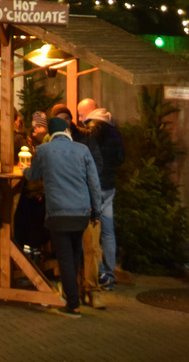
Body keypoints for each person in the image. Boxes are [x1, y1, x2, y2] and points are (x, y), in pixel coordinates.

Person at [24, 115, 102, 318]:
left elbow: (33, 175)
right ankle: (72, 294)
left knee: (65, 257)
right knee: (75, 254)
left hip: (58, 211)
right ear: (67, 131)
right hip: (81, 211)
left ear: (50, 133)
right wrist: (96, 210)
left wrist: (25, 169)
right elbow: (93, 182)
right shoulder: (82, 150)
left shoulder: (43, 150)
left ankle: (72, 304)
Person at [49, 103, 105, 308]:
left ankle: (92, 290)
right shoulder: (50, 142)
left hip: (86, 200)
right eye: (60, 119)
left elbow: (97, 164)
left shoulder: (85, 137)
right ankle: (73, 290)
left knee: (91, 247)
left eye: (67, 118)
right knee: (70, 251)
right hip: (65, 203)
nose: (65, 122)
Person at [84, 107, 126, 291]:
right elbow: (120, 159)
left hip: (94, 188)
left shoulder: (92, 135)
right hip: (110, 187)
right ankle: (110, 273)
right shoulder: (115, 135)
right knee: (108, 232)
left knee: (91, 232)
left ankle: (100, 273)